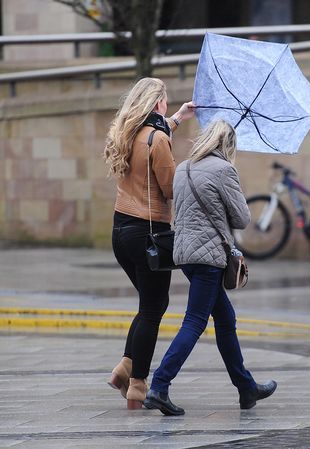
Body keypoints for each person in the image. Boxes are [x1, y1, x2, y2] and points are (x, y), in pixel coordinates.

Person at [144, 120, 277, 416]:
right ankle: (159, 385)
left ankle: (246, 388)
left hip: (185, 255)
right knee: (194, 322)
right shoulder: (224, 170)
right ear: (228, 144)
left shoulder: (183, 168)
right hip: (209, 259)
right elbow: (242, 218)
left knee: (226, 320)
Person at [103, 77, 195, 409]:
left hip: (120, 231)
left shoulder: (126, 132)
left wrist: (178, 120)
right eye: (167, 100)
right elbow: (170, 188)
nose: (168, 105)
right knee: (154, 308)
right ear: (157, 102)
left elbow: (153, 136)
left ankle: (125, 368)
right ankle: (138, 384)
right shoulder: (157, 141)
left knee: (148, 306)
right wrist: (191, 173)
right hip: (148, 234)